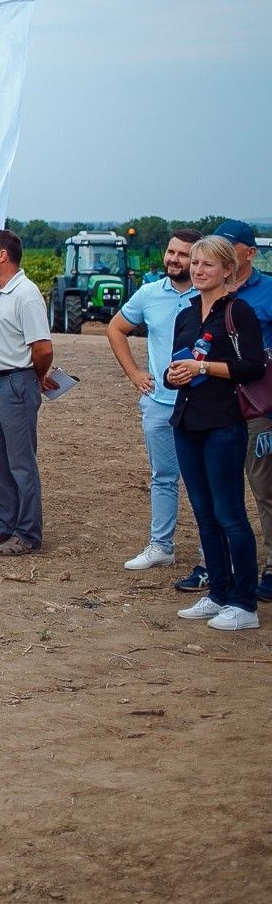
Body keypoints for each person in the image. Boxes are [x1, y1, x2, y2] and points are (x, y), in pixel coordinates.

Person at [167, 235, 265, 631]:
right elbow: (177, 363)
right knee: (204, 514)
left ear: (228, 269)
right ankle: (219, 591)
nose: (198, 269)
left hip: (224, 423)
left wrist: (204, 369)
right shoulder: (186, 314)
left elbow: (253, 368)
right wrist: (173, 375)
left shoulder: (238, 312)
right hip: (187, 421)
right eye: (195, 262)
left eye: (207, 264)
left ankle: (244, 603)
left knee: (230, 514)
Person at [106, 230, 201, 572]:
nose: (175, 259)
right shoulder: (148, 294)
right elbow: (116, 329)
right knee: (163, 476)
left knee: (201, 479)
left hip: (202, 404)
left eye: (184, 254)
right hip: (160, 403)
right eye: (172, 252)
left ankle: (209, 554)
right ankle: (161, 546)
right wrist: (134, 373)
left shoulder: (209, 296)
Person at [0, 230, 57, 556]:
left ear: (3, 255)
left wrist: (33, 378)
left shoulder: (27, 294)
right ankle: (5, 526)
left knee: (20, 462)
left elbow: (43, 348)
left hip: (13, 384)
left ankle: (27, 533)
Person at [211, 219, 272, 601]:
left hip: (257, 403)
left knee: (264, 488)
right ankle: (220, 565)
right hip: (216, 403)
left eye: (228, 246)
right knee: (218, 489)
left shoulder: (267, 292)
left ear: (249, 252)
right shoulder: (208, 292)